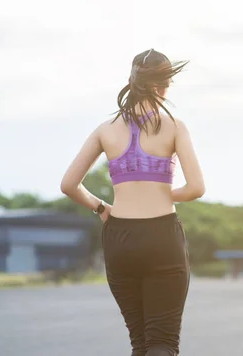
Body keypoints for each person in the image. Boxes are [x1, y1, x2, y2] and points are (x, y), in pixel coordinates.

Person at [60, 48, 205, 356]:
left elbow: (69, 185)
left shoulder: (106, 129)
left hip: (119, 238)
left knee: (140, 344)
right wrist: (165, 194)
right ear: (164, 84)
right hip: (162, 237)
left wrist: (101, 207)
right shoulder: (174, 126)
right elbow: (195, 188)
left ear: (132, 80)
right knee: (163, 343)